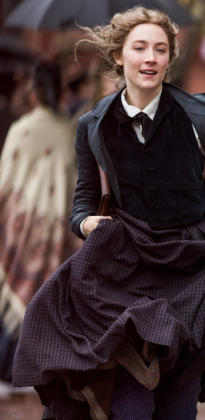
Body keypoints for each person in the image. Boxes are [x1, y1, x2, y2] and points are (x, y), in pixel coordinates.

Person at [13, 8, 205, 420]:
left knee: (179, 398)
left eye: (161, 49)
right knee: (128, 395)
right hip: (125, 266)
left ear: (170, 58)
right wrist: (86, 222)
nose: (151, 58)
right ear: (119, 56)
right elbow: (82, 203)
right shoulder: (92, 125)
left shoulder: (201, 116)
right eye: (139, 47)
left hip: (193, 266)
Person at [0, 62, 82, 383]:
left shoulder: (21, 129)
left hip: (17, 226)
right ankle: (25, 370)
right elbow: (74, 184)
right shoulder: (67, 132)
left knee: (11, 292)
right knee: (40, 297)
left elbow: (5, 182)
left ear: (33, 91)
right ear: (61, 91)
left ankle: (6, 370)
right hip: (53, 228)